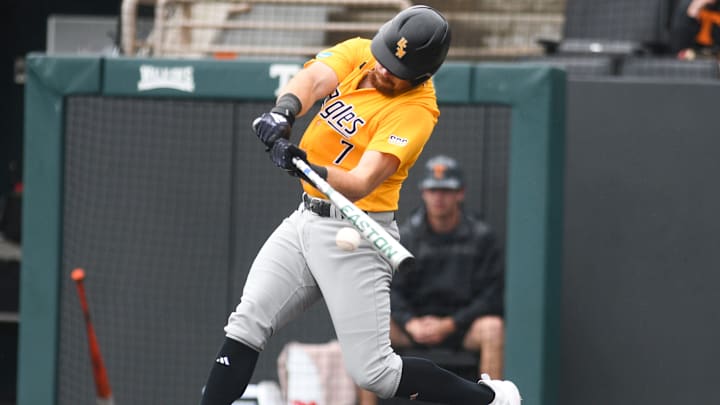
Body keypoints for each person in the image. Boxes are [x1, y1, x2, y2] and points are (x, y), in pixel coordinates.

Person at [199, 5, 521, 405]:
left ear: (422, 75)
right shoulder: (363, 52)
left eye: (396, 70)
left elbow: (360, 181)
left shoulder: (417, 111)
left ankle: (491, 399)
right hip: (305, 220)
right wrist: (284, 112)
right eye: (384, 59)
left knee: (377, 374)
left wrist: (301, 163)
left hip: (358, 231)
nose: (383, 70)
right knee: (247, 323)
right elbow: (315, 78)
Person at [358, 155, 506, 405]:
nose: (439, 197)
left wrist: (450, 324)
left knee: (493, 328)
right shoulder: (406, 236)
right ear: (424, 192)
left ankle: (493, 401)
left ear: (460, 194)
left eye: (446, 190)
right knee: (365, 325)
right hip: (414, 326)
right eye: (433, 190)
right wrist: (411, 322)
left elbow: (490, 297)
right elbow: (389, 289)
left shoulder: (482, 238)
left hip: (461, 327)